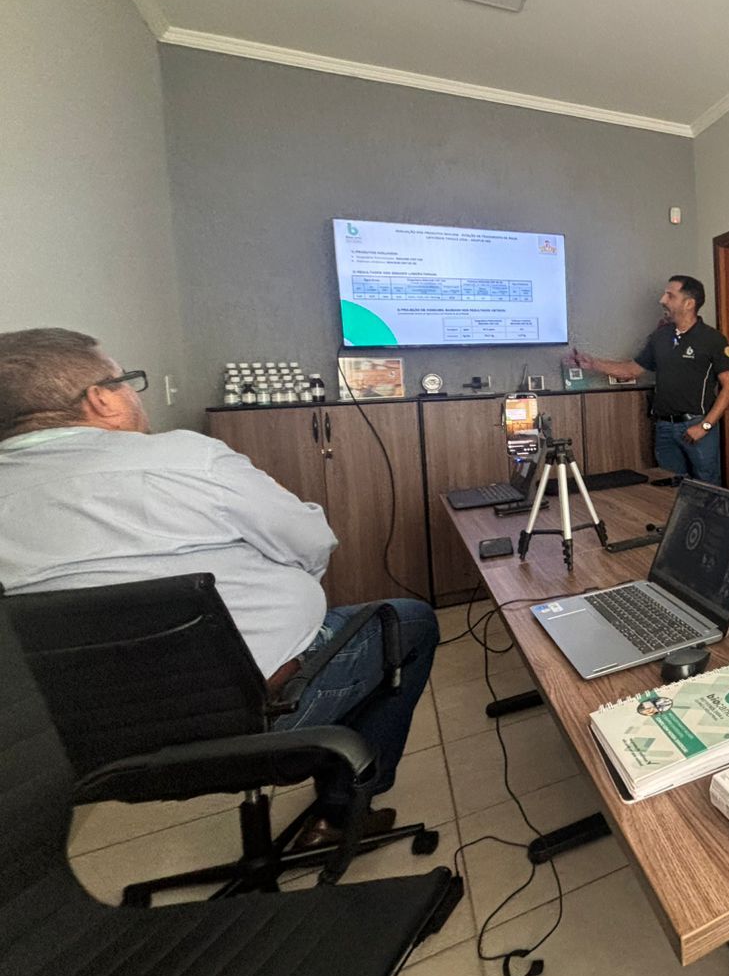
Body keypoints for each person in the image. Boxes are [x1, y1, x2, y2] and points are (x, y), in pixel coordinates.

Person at [0, 328, 438, 850]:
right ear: (100, 399)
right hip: (261, 716)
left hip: (89, 750)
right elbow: (312, 540)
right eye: (127, 381)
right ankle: (342, 812)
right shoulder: (188, 459)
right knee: (408, 622)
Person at [572, 274, 729, 482]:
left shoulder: (712, 339)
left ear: (689, 303)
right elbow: (632, 370)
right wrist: (593, 364)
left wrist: (705, 426)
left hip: (697, 425)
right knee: (668, 485)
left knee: (707, 485)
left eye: (670, 295)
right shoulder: (660, 336)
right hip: (664, 428)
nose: (662, 300)